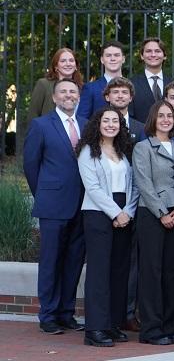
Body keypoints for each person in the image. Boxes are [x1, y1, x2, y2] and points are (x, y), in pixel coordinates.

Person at [23, 79, 86, 335]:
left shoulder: (86, 123)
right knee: (50, 262)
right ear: (55, 97)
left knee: (73, 262)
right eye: (64, 92)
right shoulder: (41, 125)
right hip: (52, 205)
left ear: (78, 96)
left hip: (82, 204)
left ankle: (66, 313)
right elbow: (31, 165)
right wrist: (45, 195)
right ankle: (48, 315)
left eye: (73, 91)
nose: (69, 95)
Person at [77, 107, 138, 347]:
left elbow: (134, 185)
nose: (111, 124)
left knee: (119, 270)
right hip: (97, 211)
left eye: (115, 121)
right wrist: (115, 212)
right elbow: (92, 188)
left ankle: (112, 324)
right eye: (106, 120)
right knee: (99, 272)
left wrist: (128, 212)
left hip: (125, 212)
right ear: (97, 124)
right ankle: (95, 329)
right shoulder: (88, 151)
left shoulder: (124, 151)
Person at [132, 101, 174, 345]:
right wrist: (162, 213)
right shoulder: (143, 148)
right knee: (152, 272)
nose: (166, 119)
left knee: (172, 272)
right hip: (152, 216)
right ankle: (152, 329)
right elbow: (144, 184)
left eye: (169, 116)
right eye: (161, 115)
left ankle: (169, 325)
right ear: (153, 119)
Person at [27, 48, 83, 123]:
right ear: (56, 66)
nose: (68, 64)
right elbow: (33, 114)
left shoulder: (82, 88)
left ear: (76, 66)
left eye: (71, 61)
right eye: (63, 61)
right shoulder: (44, 84)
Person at [78, 41, 126, 121]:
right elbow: (81, 120)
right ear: (102, 60)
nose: (112, 59)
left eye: (116, 55)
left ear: (123, 59)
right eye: (108, 56)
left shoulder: (133, 86)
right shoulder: (90, 88)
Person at [130, 38, 169, 123]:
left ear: (165, 56)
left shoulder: (172, 83)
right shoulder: (131, 84)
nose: (153, 54)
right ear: (142, 56)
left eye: (157, 51)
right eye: (148, 51)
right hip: (141, 134)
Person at [103, 77, 146, 143]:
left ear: (131, 98)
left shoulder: (141, 128)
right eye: (115, 92)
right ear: (107, 97)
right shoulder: (98, 124)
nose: (120, 96)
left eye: (124, 92)